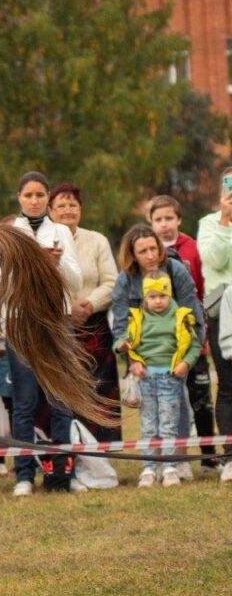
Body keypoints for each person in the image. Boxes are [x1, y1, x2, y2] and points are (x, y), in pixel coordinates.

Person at [8, 172, 81, 496]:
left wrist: (58, 263)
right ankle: (24, 474)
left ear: (48, 198)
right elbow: (3, 282)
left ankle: (61, 473)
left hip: (56, 322)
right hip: (22, 323)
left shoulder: (61, 232)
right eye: (28, 195)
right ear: (19, 198)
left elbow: (76, 282)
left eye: (40, 195)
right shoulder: (11, 231)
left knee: (61, 400)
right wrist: (35, 263)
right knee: (24, 402)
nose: (34, 200)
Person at [113, 223, 203, 480]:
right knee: (150, 414)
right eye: (143, 251)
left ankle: (178, 458)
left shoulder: (176, 271)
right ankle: (151, 465)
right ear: (132, 255)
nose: (150, 255)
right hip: (145, 358)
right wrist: (131, 361)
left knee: (179, 404)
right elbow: (121, 327)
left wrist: (187, 358)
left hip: (177, 352)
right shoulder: (124, 281)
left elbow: (193, 315)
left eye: (154, 248)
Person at [149, 194, 217, 470]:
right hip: (161, 343)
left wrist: (203, 331)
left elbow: (202, 288)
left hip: (192, 338)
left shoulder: (193, 249)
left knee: (200, 398)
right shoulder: (147, 251)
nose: (164, 224)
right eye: (158, 219)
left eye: (169, 218)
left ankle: (208, 455)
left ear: (179, 219)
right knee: (169, 402)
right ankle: (175, 458)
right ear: (150, 222)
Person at [47, 183, 120, 441]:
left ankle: (103, 452)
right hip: (56, 326)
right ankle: (63, 455)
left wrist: (88, 304)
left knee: (99, 388)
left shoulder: (97, 240)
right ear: (50, 210)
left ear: (81, 209)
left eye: (73, 205)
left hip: (95, 324)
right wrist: (68, 309)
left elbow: (112, 282)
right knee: (61, 391)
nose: (68, 210)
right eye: (61, 206)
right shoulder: (43, 241)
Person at [198, 180, 232, 483]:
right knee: (228, 386)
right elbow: (213, 261)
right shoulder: (209, 223)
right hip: (222, 313)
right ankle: (231, 456)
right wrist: (224, 222)